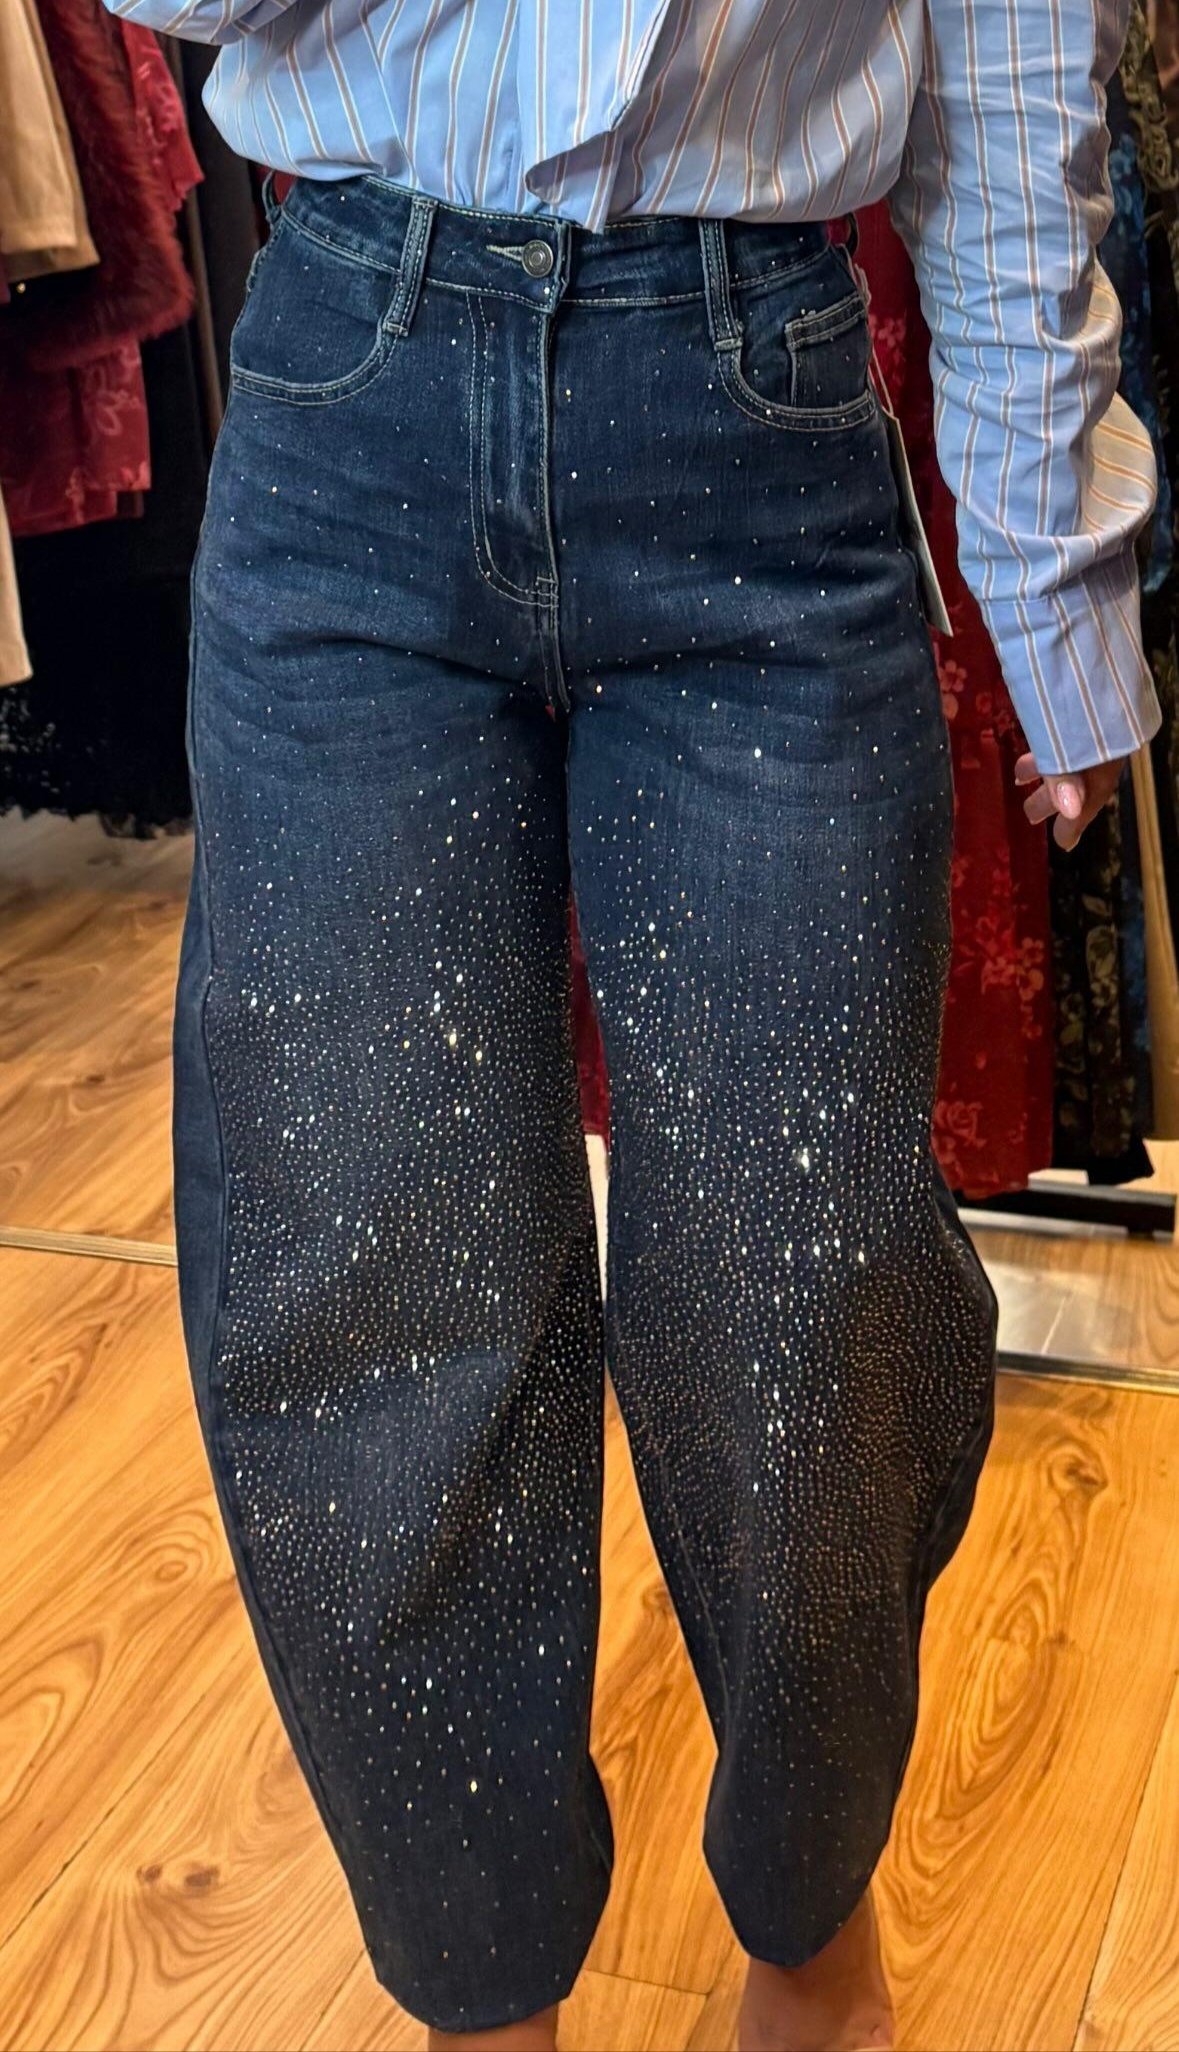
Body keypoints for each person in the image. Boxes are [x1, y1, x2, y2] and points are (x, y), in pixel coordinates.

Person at [100, 2, 1161, 2048]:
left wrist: (1050, 564)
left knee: (808, 1297)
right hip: (349, 389)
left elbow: (1012, 41)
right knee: (364, 1284)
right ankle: (481, 1992)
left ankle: (809, 1909)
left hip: (756, 412)